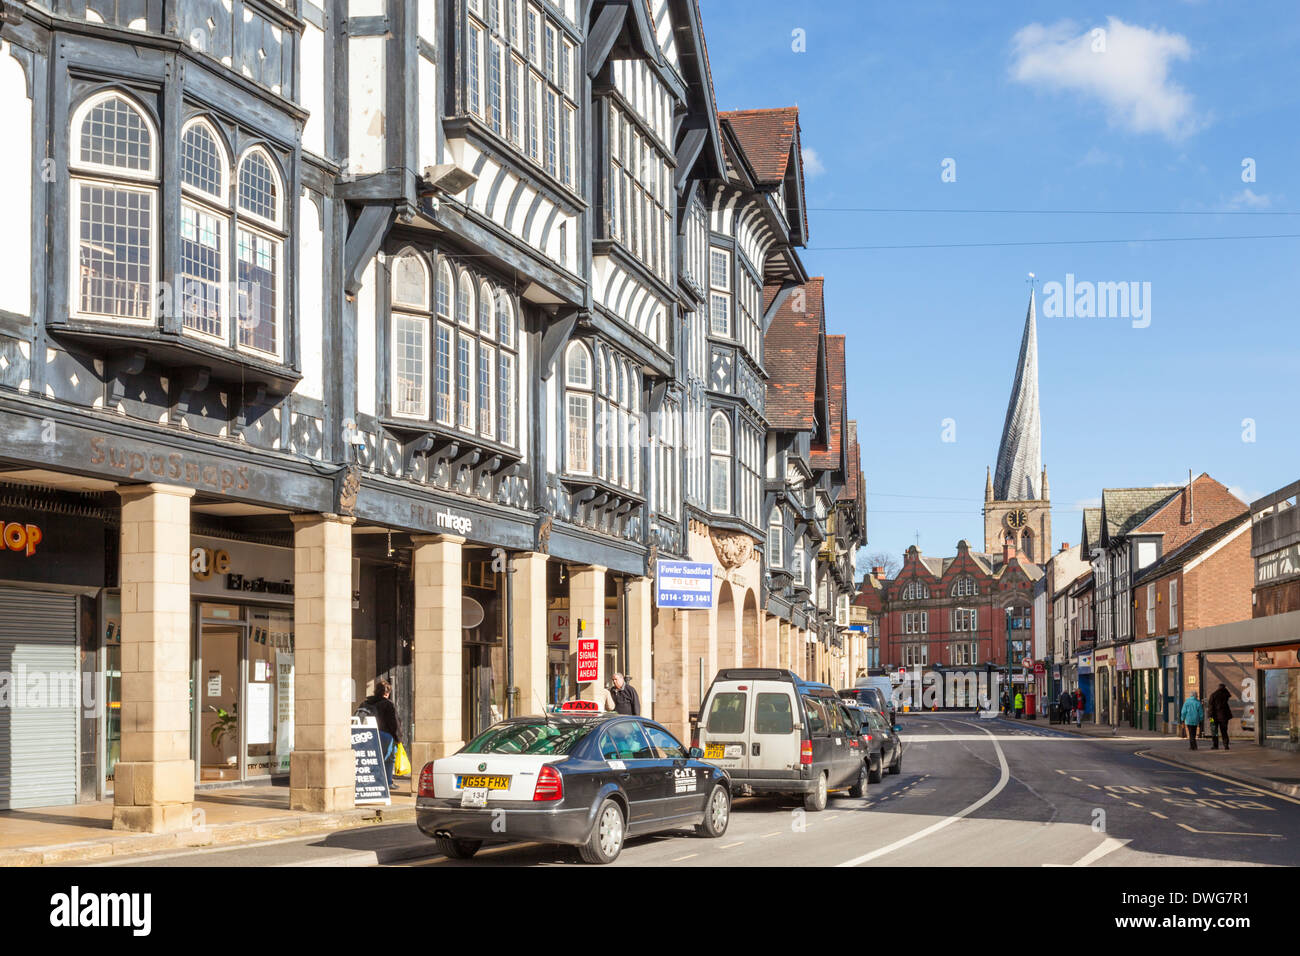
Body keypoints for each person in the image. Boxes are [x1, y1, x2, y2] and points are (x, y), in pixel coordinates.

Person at [360, 678, 401, 790]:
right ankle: (387, 782)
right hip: (386, 735)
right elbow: (394, 723)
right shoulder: (388, 704)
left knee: (371, 759)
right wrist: (398, 738)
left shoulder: (365, 703)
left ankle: (371, 782)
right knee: (388, 759)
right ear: (386, 693)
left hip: (367, 734)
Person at [1208, 683, 1232, 751]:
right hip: (1224, 717)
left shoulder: (1213, 695)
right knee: (1224, 731)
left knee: (1214, 731)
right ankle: (1226, 745)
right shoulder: (1226, 695)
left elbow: (1210, 707)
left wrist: (1210, 716)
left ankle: (1215, 745)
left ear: (1218, 687)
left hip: (1213, 717)